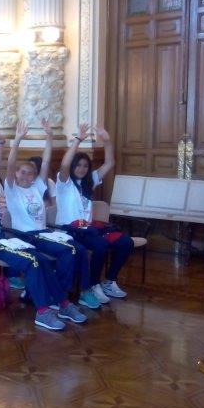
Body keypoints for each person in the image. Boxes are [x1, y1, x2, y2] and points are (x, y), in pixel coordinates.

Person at [0, 129, 68, 331]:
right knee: (32, 262)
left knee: (41, 259)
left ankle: (63, 303)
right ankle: (43, 312)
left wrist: (1, 144)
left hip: (0, 239)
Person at [5, 119, 93, 316]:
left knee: (77, 249)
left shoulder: (37, 187)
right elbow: (10, 164)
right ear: (16, 174)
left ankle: (57, 294)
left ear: (35, 177)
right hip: (26, 235)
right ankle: (58, 298)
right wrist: (17, 139)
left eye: (30, 173)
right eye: (22, 172)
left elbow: (45, 162)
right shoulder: (12, 190)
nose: (26, 176)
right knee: (70, 250)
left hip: (44, 233)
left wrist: (50, 136)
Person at [56, 123, 133, 302]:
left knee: (125, 242)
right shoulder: (64, 183)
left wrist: (106, 141)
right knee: (100, 245)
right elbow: (64, 164)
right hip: (69, 231)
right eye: (78, 165)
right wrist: (78, 140)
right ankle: (92, 284)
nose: (81, 169)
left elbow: (110, 163)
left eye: (85, 166)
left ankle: (110, 281)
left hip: (88, 230)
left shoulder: (89, 181)